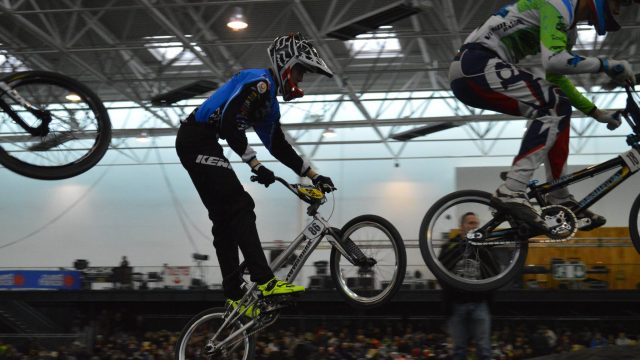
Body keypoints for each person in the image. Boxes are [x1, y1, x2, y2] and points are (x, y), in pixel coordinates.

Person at [175, 33, 335, 316]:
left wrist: (313, 174)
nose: (300, 80)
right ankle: (264, 281)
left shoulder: (269, 103)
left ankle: (234, 298)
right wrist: (254, 164)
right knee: (240, 206)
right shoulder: (259, 83)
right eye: (300, 72)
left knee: (224, 220)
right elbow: (227, 124)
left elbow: (278, 145)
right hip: (195, 138)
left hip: (201, 142)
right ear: (287, 64)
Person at [449, 0, 638, 233]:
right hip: (476, 63)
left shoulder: (568, 29)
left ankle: (559, 197)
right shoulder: (558, 4)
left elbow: (556, 75)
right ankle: (512, 189)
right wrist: (606, 64)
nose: (619, 9)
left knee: (560, 106)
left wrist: (595, 112)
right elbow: (555, 60)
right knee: (551, 105)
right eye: (619, 2)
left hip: (477, 69)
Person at [439, 212, 497, 360]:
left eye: (476, 223)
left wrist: (480, 247)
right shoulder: (450, 245)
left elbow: (496, 271)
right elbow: (440, 270)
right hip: (457, 304)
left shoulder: (485, 245)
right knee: (459, 350)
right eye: (470, 223)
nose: (474, 226)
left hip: (480, 303)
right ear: (461, 226)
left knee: (484, 349)